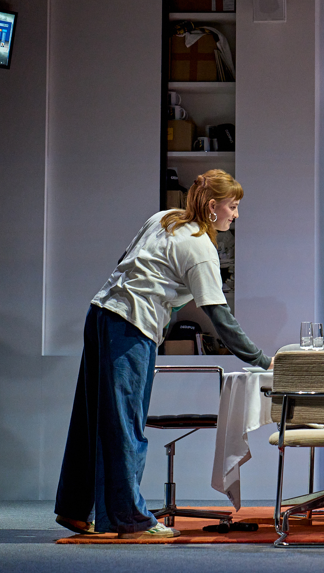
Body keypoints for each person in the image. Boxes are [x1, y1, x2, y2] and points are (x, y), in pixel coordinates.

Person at [54, 170, 271, 540]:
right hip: (130, 326)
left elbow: (126, 261)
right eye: (233, 207)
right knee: (126, 424)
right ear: (213, 206)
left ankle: (76, 509)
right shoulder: (201, 247)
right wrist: (263, 360)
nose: (236, 215)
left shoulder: (163, 218)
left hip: (101, 313)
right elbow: (220, 318)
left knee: (93, 419)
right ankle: (131, 521)